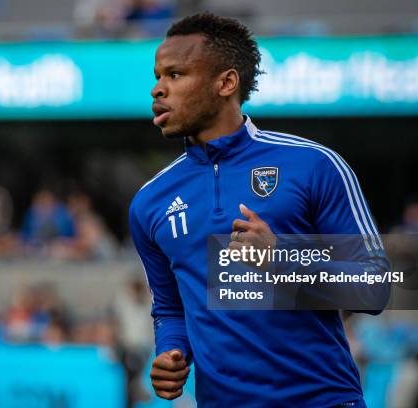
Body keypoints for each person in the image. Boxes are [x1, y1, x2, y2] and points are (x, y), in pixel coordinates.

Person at [129, 12, 389, 407]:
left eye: (175, 75)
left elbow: (374, 289)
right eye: (157, 76)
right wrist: (170, 352)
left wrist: (282, 259)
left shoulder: (315, 165)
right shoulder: (150, 202)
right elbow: (169, 309)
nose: (157, 90)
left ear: (226, 82)